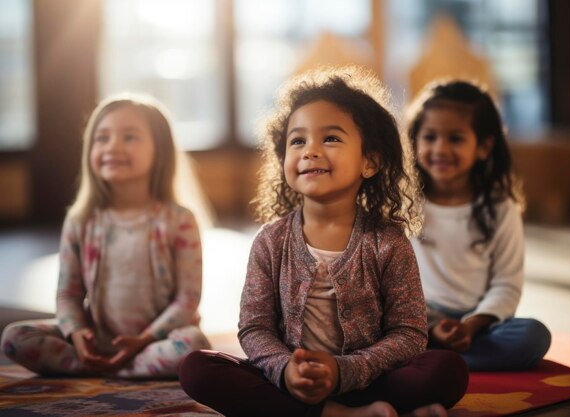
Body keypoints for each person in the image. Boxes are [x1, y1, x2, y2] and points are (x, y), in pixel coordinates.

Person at [179, 66, 468, 417]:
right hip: (292, 384)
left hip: (369, 379)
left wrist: (342, 371)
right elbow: (255, 327)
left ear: (370, 161)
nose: (310, 150)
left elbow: (408, 333)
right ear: (283, 158)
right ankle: (341, 414)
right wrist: (286, 369)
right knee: (197, 368)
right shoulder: (271, 240)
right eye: (297, 140)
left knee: (447, 369)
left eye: (330, 138)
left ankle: (361, 407)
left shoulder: (388, 241)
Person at [0, 93, 210, 378]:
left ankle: (115, 368)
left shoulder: (179, 220)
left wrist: (144, 340)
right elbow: (68, 294)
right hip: (97, 338)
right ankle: (98, 362)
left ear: (159, 149)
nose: (112, 147)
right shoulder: (81, 220)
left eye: (130, 137)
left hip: (155, 341)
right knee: (14, 337)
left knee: (193, 346)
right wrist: (76, 334)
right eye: (102, 138)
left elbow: (187, 300)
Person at [405, 79, 551, 371]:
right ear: (414, 142)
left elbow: (507, 285)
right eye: (429, 137)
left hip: (480, 324)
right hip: (416, 318)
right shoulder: (402, 203)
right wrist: (431, 325)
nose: (440, 149)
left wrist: (470, 326)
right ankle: (430, 355)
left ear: (483, 147)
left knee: (533, 336)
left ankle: (432, 361)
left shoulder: (500, 207)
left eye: (456, 138)